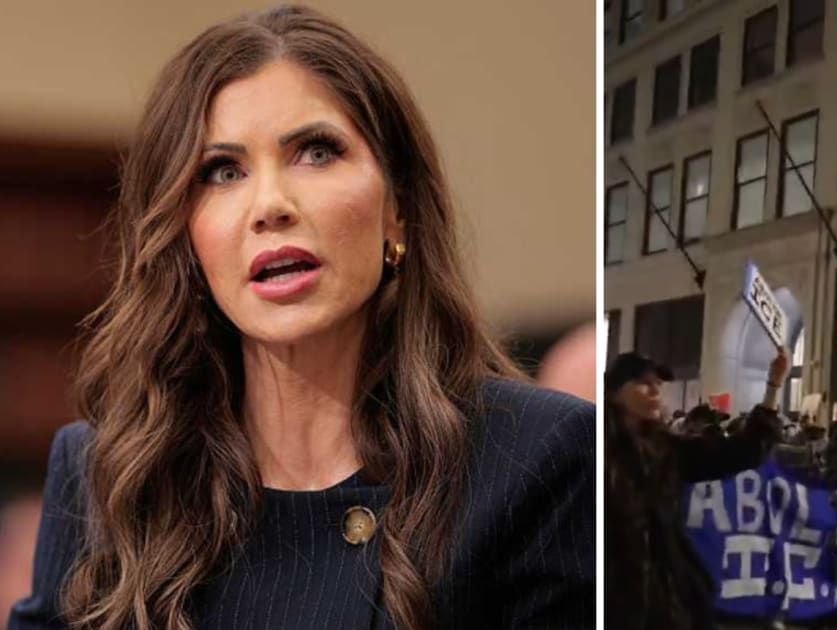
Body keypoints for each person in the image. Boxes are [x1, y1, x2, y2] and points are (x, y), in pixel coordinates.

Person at [8, 7, 595, 630]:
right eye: (223, 171)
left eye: (316, 153)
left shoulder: (537, 459)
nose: (270, 205)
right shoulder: (107, 476)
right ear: (185, 238)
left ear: (398, 207)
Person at [605, 349, 787, 629]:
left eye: (658, 383)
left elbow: (739, 452)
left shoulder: (666, 450)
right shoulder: (597, 450)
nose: (655, 390)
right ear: (615, 392)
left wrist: (773, 385)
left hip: (667, 599)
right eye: (642, 382)